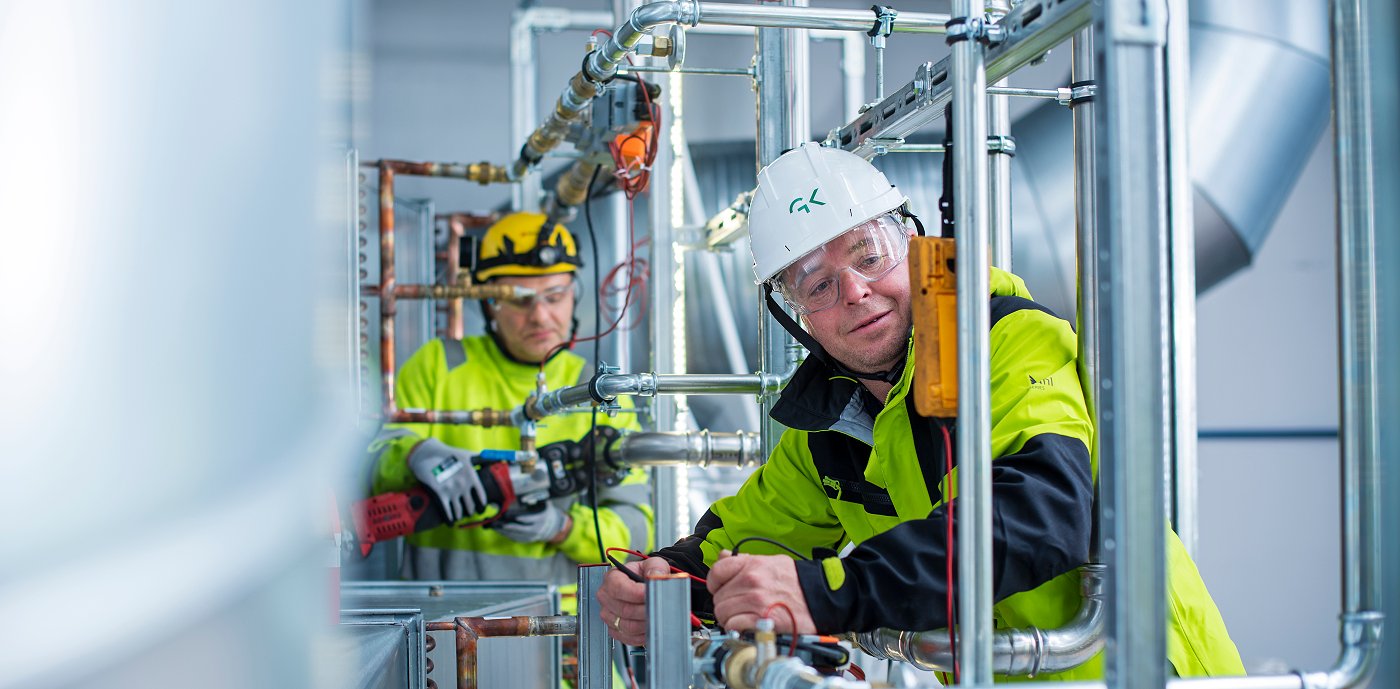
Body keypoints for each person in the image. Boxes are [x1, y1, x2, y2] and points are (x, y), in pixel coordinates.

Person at [596, 143, 1243, 679]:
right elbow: (744, 538)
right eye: (817, 283)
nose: (854, 291)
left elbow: (1043, 512)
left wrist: (828, 593)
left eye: (868, 253)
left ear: (912, 242)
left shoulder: (1006, 341)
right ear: (794, 315)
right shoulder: (834, 427)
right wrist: (670, 581)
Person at [368, 211, 652, 589]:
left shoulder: (598, 390)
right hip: (440, 621)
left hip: (562, 630)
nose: (540, 316)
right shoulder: (438, 364)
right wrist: (415, 454)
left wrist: (562, 527)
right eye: (519, 301)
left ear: (574, 295)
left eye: (555, 296)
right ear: (489, 304)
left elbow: (637, 533)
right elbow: (372, 470)